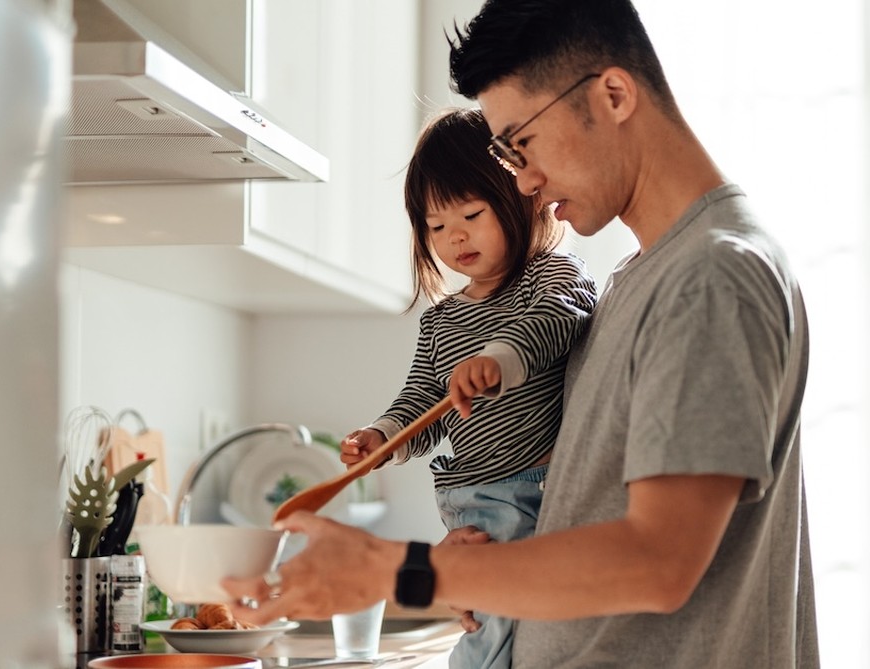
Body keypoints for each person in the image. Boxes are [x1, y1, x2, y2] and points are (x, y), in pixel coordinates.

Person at [226, 1, 818, 667]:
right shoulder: (642, 280)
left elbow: (658, 561)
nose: (525, 181)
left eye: (521, 143)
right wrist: (478, 568)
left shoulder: (710, 275)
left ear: (613, 94)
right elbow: (584, 521)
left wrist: (404, 569)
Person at [335, 107, 597, 669]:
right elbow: (420, 403)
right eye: (434, 225)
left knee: (496, 632)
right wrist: (384, 437)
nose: (453, 236)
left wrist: (498, 361)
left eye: (471, 214)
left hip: (529, 489)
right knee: (490, 626)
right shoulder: (440, 321)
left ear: (521, 197)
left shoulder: (551, 276)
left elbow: (556, 319)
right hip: (469, 501)